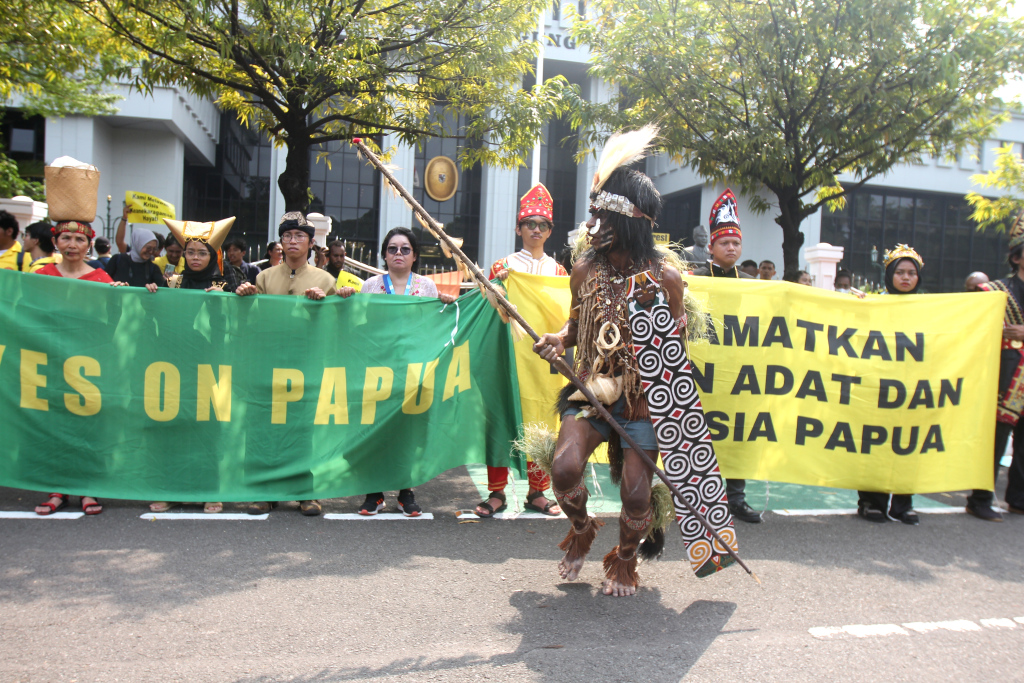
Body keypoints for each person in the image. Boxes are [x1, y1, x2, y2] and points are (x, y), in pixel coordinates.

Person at [533, 127, 723, 597]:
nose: (592, 226)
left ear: (632, 222)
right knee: (563, 470)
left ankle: (624, 558)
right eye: (592, 215)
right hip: (592, 391)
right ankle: (582, 529)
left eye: (602, 216)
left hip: (643, 406)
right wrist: (558, 339)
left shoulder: (667, 279)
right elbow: (575, 328)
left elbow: (675, 352)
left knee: (637, 495)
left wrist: (657, 349)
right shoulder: (584, 270)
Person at [339, 226, 456, 517]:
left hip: (414, 369)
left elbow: (433, 326)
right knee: (376, 428)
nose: (398, 254)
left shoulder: (426, 287)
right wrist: (343, 297)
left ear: (414, 255)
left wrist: (446, 305)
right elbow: (360, 325)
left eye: (405, 249)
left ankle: (406, 491)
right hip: (379, 367)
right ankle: (374, 493)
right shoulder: (370, 286)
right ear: (384, 255)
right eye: (392, 249)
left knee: (408, 431)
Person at [236, 212, 338, 516]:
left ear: (311, 242)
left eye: (299, 236)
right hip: (269, 361)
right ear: (280, 242)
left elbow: (337, 323)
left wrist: (325, 302)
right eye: (287, 236)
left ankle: (305, 491)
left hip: (306, 362)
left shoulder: (324, 279)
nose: (292, 241)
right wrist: (245, 296)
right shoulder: (264, 276)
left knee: (302, 428)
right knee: (266, 427)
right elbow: (253, 321)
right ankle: (265, 492)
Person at [475, 184, 566, 518]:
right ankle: (496, 492)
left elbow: (563, 315)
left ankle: (537, 491)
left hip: (542, 359)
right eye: (530, 223)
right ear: (518, 228)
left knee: (541, 420)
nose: (536, 229)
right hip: (508, 356)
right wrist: (496, 287)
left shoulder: (559, 272)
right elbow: (488, 309)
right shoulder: (503, 266)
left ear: (550, 231)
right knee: (501, 417)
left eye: (543, 224)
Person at [149, 217, 239, 514]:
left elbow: (233, 329)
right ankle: (172, 489)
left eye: (203, 253)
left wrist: (222, 304)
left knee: (209, 429)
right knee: (175, 427)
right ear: (183, 254)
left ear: (213, 256)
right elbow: (164, 324)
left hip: (214, 366)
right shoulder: (173, 281)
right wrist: (150, 296)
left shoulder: (227, 283)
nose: (196, 258)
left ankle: (210, 490)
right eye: (191, 253)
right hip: (178, 366)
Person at [33, 220, 121, 516]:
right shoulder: (41, 276)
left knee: (88, 424)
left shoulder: (102, 278)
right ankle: (57, 488)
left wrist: (119, 300)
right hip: (50, 359)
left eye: (79, 240)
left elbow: (113, 325)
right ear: (55, 242)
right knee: (54, 424)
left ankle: (88, 486)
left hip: (89, 364)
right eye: (66, 238)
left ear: (89, 245)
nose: (72, 245)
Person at [691, 189, 760, 524]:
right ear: (711, 247)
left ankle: (736, 498)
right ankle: (698, 498)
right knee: (698, 431)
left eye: (736, 243)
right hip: (701, 369)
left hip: (737, 371)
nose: (731, 248)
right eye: (725, 243)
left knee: (737, 433)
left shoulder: (753, 284)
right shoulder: (694, 279)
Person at [856, 244, 924, 525]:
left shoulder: (931, 309)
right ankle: (871, 501)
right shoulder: (872, 303)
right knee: (875, 445)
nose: (906, 278)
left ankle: (903, 503)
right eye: (900, 272)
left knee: (908, 445)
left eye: (911, 273)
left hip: (914, 389)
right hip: (879, 387)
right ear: (889, 275)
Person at [966, 216, 1024, 521]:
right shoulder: (993, 292)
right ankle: (980, 498)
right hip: (1003, 374)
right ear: (1016, 257)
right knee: (995, 438)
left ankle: (1018, 498)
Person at [106, 211, 166, 291]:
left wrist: (157, 286)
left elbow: (162, 290)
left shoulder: (153, 268)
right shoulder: (117, 260)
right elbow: (103, 282)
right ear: (138, 244)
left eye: (153, 249)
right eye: (148, 248)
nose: (151, 252)